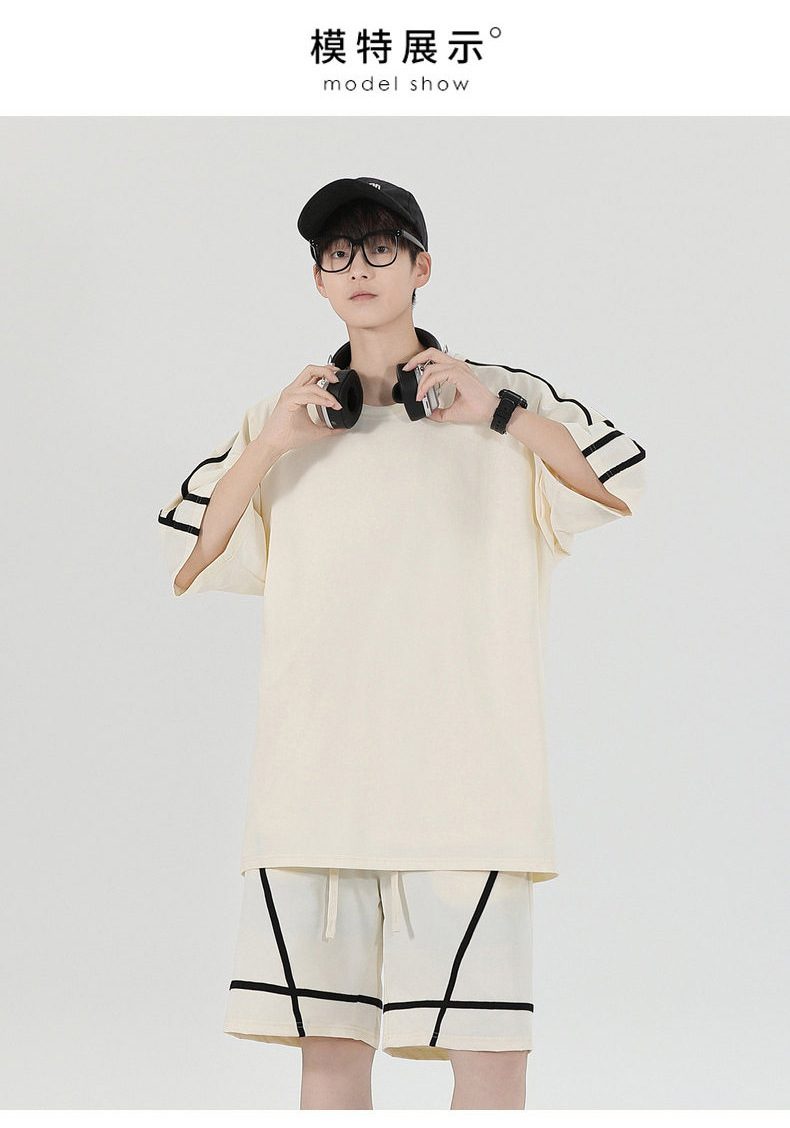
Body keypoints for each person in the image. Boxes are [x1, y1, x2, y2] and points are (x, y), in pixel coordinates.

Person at [157, 176, 647, 1109]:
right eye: (337, 253)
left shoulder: (504, 399)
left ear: (423, 267)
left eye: (381, 247)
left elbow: (619, 487)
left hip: (469, 791)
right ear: (317, 281)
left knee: (490, 1059)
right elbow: (191, 558)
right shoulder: (289, 416)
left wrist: (499, 415)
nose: (359, 268)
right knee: (331, 1057)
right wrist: (268, 448)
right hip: (314, 794)